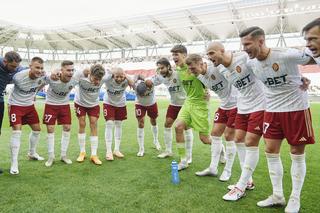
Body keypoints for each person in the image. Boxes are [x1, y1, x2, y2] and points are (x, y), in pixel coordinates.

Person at [239, 26, 315, 213]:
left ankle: (295, 198)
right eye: (243, 45)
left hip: (296, 109)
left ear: (261, 41)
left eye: (247, 44)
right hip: (271, 111)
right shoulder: (250, 64)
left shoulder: (286, 55)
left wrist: (302, 79)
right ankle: (278, 195)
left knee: (296, 153)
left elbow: (314, 56)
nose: (245, 49)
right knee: (270, 151)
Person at [200, 41, 265, 199]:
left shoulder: (243, 58)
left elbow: (265, 66)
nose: (209, 57)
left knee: (255, 144)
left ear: (222, 50)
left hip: (257, 105)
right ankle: (247, 181)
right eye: (207, 54)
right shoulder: (221, 67)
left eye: (211, 53)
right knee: (238, 140)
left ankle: (240, 184)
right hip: (242, 106)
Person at [185, 53, 237, 179]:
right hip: (224, 106)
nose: (191, 71)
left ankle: (228, 171)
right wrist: (206, 93)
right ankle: (213, 168)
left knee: (229, 136)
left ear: (202, 64)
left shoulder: (217, 68)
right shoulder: (198, 76)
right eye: (190, 69)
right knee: (214, 135)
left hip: (236, 105)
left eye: (193, 68)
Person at [172, 45, 212, 171]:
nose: (173, 57)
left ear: (184, 55)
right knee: (178, 127)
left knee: (205, 139)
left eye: (176, 54)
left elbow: (208, 77)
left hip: (200, 105)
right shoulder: (178, 69)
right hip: (188, 102)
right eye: (172, 55)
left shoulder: (194, 67)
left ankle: (220, 149)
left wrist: (207, 91)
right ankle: (183, 161)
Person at [149, 58, 194, 161]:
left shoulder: (178, 73)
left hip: (185, 104)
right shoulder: (161, 76)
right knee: (167, 124)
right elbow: (150, 81)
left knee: (186, 128)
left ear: (168, 66)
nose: (160, 70)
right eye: (159, 68)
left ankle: (189, 156)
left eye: (162, 68)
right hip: (173, 104)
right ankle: (168, 151)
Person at [8, 57, 46, 175]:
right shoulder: (18, 77)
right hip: (16, 105)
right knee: (17, 132)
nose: (39, 70)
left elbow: (44, 83)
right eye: (37, 67)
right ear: (30, 66)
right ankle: (14, 163)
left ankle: (32, 153)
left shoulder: (43, 77)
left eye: (41, 68)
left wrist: (34, 93)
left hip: (29, 106)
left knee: (37, 130)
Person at [43, 60, 77, 167]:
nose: (70, 72)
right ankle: (51, 156)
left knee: (67, 128)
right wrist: (53, 71)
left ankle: (63, 155)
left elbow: (86, 72)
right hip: (51, 105)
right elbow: (41, 80)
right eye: (68, 70)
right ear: (61, 70)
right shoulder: (52, 78)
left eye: (72, 70)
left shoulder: (75, 79)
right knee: (50, 129)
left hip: (64, 105)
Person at [74, 64, 109, 165]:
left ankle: (94, 154)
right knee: (82, 123)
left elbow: (115, 72)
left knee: (93, 124)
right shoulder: (81, 75)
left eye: (99, 79)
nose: (97, 82)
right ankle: (82, 152)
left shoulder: (105, 76)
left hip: (93, 104)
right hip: (80, 103)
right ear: (90, 73)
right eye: (95, 78)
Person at [103, 67, 133, 161]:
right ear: (113, 76)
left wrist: (126, 76)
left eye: (121, 77)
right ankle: (108, 151)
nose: (119, 79)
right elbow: (102, 77)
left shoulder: (126, 79)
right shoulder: (108, 79)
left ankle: (116, 149)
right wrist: (111, 71)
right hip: (108, 103)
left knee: (119, 125)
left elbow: (133, 82)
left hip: (121, 103)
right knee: (109, 124)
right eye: (117, 77)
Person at [134, 76, 161, 157]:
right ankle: (141, 148)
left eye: (144, 94)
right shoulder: (135, 85)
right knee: (140, 123)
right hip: (140, 104)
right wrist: (136, 77)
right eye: (141, 94)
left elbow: (160, 78)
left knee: (153, 120)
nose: (143, 95)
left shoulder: (151, 83)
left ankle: (156, 140)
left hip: (152, 104)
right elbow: (129, 78)